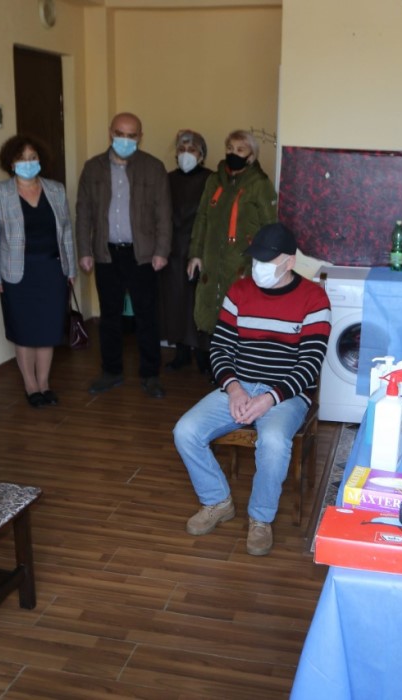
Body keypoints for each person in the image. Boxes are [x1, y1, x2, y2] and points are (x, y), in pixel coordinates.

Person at [174, 223, 330, 556]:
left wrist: (270, 398)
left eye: (266, 261)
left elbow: (310, 363)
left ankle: (260, 519)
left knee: (273, 442)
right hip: (240, 384)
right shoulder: (239, 291)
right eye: (255, 259)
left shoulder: (314, 298)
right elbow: (220, 348)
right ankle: (217, 501)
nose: (257, 267)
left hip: (286, 394)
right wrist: (233, 389)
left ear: (289, 262)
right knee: (185, 431)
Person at [76, 112, 172, 398]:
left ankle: (150, 374)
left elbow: (164, 214)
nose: (125, 140)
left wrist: (162, 251)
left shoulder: (153, 167)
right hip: (106, 253)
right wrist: (84, 250)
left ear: (140, 137)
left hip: (143, 255)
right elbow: (84, 213)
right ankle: (111, 371)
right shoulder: (92, 168)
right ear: (110, 133)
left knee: (146, 316)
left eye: (132, 135)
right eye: (120, 133)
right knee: (109, 316)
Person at [0, 134, 76, 408]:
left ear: (40, 160)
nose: (28, 163)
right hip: (17, 274)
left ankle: (44, 384)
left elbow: (66, 233)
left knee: (48, 330)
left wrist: (70, 268)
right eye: (21, 159)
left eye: (32, 157)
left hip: (52, 270)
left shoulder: (56, 190)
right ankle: (30, 386)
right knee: (24, 331)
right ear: (11, 163)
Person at [187, 130, 278, 376]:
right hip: (211, 260)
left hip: (242, 262)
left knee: (239, 314)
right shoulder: (214, 181)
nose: (233, 154)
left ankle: (239, 370)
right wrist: (195, 254)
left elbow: (270, 227)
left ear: (251, 156)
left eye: (240, 150)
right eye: (230, 149)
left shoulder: (260, 184)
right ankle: (217, 367)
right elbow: (202, 218)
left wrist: (265, 264)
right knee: (210, 311)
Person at [160, 129, 212, 371]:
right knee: (175, 302)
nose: (186, 154)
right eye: (181, 149)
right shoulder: (167, 179)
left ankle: (204, 354)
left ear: (201, 155)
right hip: (172, 249)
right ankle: (180, 352)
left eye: (191, 150)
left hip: (200, 248)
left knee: (198, 302)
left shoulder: (211, 180)